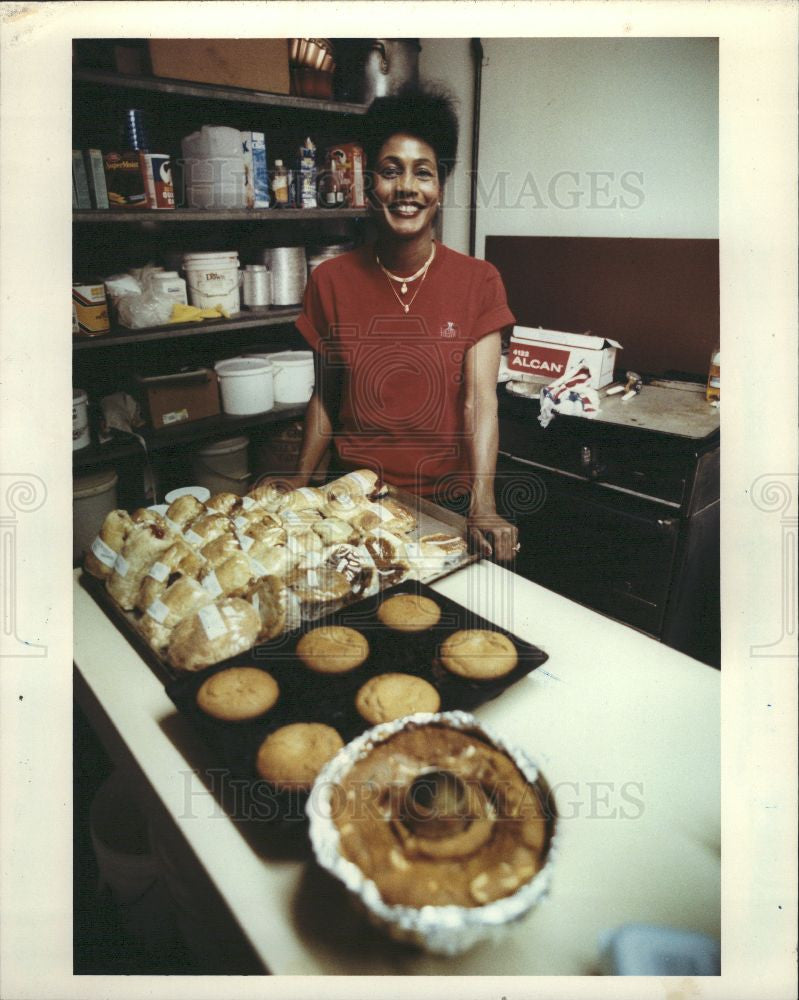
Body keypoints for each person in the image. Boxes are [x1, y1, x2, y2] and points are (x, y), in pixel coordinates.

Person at [288, 87, 519, 562]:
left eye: (424, 173)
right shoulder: (330, 281)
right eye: (391, 171)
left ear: (440, 186)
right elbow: (327, 397)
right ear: (371, 183)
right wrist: (299, 481)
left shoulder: (480, 281)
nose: (407, 188)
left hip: (444, 504)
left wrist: (484, 506)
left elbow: (481, 402)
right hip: (350, 501)